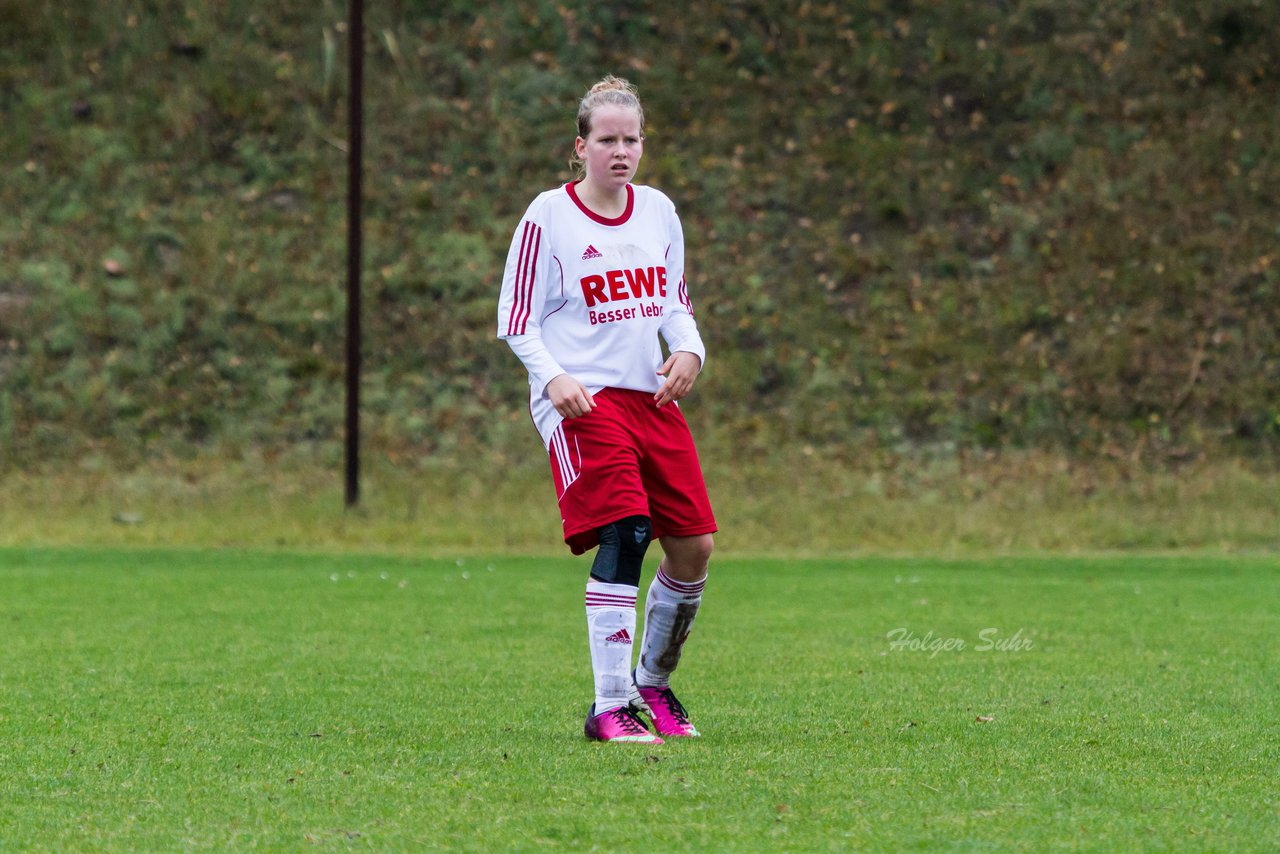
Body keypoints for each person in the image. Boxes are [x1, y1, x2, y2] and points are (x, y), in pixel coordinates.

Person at [496, 76, 717, 745]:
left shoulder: (657, 212)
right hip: (582, 398)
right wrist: (554, 377)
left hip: (646, 395)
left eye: (632, 139)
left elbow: (673, 302)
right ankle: (608, 705)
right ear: (580, 146)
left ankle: (651, 682)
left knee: (694, 548)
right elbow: (515, 319)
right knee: (628, 529)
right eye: (607, 139)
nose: (620, 151)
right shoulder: (548, 216)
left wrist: (689, 351)